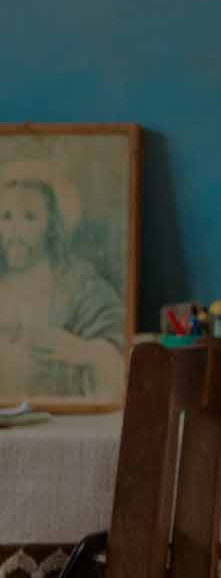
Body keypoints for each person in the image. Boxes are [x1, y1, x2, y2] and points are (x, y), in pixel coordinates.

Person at [0, 161, 126, 401]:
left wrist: (79, 350)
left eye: (29, 217)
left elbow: (119, 361)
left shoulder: (82, 288)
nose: (15, 230)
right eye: (6, 217)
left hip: (65, 414)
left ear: (51, 226)